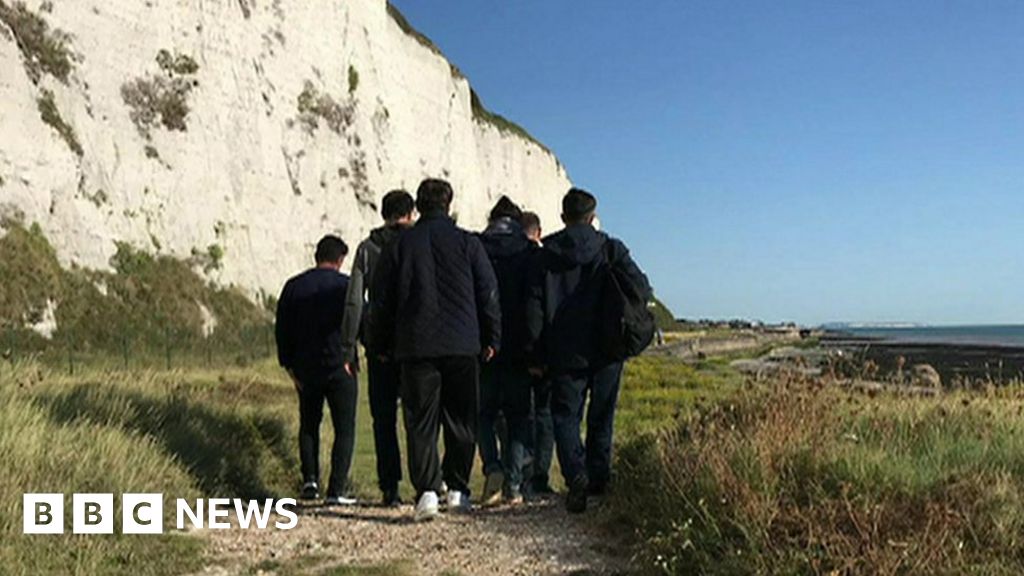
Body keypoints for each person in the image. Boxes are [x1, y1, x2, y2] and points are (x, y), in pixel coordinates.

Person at [372, 178, 501, 521]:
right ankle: (457, 489)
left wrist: (380, 343)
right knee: (462, 419)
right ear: (449, 204)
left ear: (417, 206)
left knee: (420, 421)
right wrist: (492, 337)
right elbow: (488, 293)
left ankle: (427, 492)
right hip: (462, 344)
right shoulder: (469, 243)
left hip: (416, 345)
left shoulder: (399, 245)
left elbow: (381, 300)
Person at [526, 188, 652, 513]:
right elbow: (641, 287)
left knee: (565, 417)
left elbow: (534, 309)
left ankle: (576, 475)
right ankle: (599, 479)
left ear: (563, 217)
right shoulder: (610, 248)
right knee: (601, 415)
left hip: (564, 349)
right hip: (609, 346)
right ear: (592, 217)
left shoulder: (545, 254)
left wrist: (536, 354)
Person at [339, 190, 416, 507]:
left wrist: (349, 346)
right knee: (419, 416)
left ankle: (390, 486)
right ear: (411, 213)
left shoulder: (367, 249)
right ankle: (428, 483)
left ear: (383, 214)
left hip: (379, 345)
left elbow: (354, 301)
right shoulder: (417, 243)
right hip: (416, 343)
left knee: (383, 419)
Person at [275, 235, 358, 506]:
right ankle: (336, 489)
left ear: (317, 256)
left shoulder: (294, 287)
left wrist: (289, 367)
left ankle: (310, 481)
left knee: (309, 425)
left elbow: (282, 330)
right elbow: (359, 320)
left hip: (306, 369)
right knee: (344, 428)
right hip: (340, 365)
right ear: (340, 260)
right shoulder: (346, 286)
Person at [476, 197, 538, 505]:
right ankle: (513, 485)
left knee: (483, 413)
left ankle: (492, 466)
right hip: (518, 344)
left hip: (483, 343)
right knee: (518, 417)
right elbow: (535, 302)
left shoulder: (476, 246)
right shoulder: (529, 251)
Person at [518, 211, 556, 495]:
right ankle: (538, 477)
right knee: (543, 414)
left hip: (511, 349)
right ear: (538, 232)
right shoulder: (545, 261)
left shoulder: (508, 258)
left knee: (516, 415)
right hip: (543, 347)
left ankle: (517, 475)